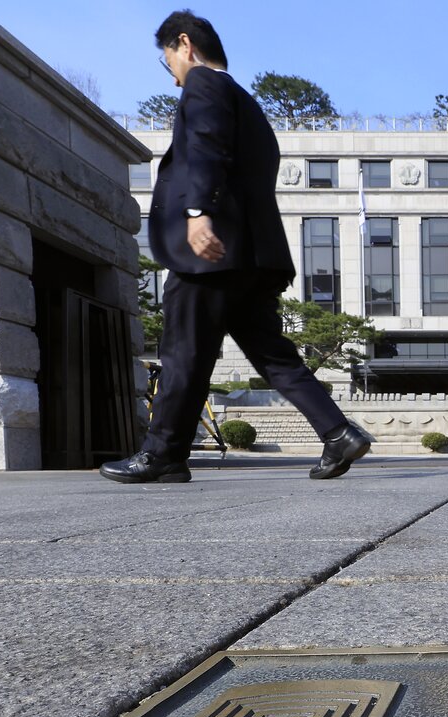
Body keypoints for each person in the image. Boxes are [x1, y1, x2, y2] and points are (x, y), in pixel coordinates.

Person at [102, 10, 371, 484]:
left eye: (169, 62)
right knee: (274, 356)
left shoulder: (204, 86)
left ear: (184, 44)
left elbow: (205, 149)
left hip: (211, 254)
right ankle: (337, 433)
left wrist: (196, 212)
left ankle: (162, 454)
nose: (173, 77)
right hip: (254, 257)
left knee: (184, 352)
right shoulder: (249, 105)